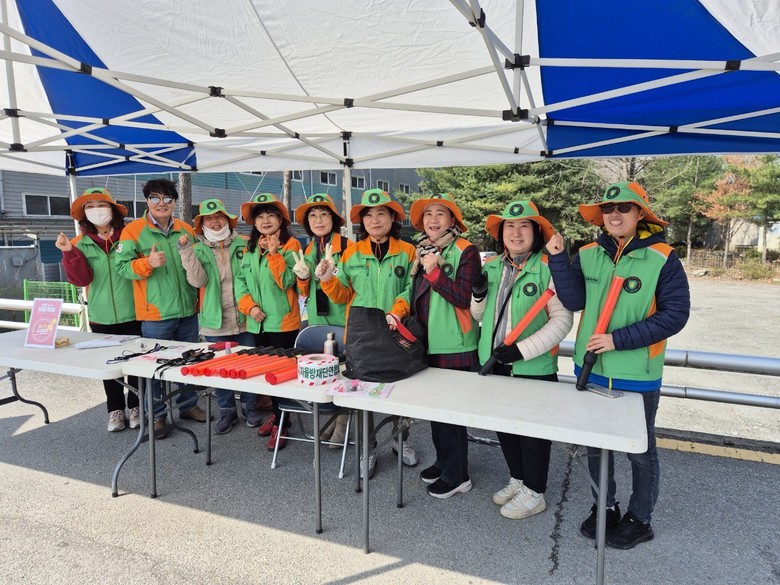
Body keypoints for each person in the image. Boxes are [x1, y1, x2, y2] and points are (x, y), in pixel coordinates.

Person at [547, 181, 690, 549]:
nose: (614, 213)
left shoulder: (663, 257)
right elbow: (574, 300)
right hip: (590, 370)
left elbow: (675, 315)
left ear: (639, 213)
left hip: (638, 374)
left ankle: (640, 519)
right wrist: (558, 258)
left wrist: (617, 339)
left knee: (640, 452)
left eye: (624, 207)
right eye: (608, 208)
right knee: (595, 445)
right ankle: (605, 507)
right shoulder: (588, 253)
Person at [471, 200, 573, 520]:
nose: (516, 233)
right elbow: (480, 316)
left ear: (536, 232)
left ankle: (535, 490)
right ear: (501, 233)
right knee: (505, 426)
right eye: (510, 226)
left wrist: (522, 350)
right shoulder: (491, 267)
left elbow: (562, 321)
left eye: (524, 226)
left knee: (533, 433)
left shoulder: (548, 267)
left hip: (534, 367)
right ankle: (517, 477)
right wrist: (477, 296)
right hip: (495, 363)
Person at [316, 188, 416, 478]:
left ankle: (400, 439)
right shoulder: (351, 253)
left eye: (381, 213)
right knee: (363, 397)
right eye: (369, 215)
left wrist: (397, 310)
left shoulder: (407, 251)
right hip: (361, 336)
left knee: (402, 392)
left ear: (392, 218)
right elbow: (342, 295)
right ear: (363, 222)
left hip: (396, 330)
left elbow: (411, 289)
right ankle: (367, 449)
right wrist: (327, 279)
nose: (375, 220)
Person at [114, 178, 206, 436]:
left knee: (188, 363)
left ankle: (188, 405)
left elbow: (197, 265)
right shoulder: (133, 231)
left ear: (175, 202)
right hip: (155, 314)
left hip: (188, 310)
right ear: (147, 201)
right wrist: (148, 263)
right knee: (155, 367)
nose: (161, 203)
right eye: (155, 197)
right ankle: (156, 416)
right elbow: (121, 267)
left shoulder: (186, 229)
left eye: (167, 198)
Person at [407, 193, 480, 499]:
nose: (433, 220)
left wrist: (435, 271)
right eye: (428, 214)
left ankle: (458, 475)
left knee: (452, 414)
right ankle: (444, 462)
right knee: (436, 412)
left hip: (455, 344)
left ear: (453, 220)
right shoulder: (422, 249)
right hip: (428, 342)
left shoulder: (466, 250)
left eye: (440, 213)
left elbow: (464, 297)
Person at [55, 187, 142, 432]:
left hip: (134, 311)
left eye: (101, 205)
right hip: (100, 315)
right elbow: (81, 280)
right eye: (90, 207)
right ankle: (115, 410)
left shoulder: (129, 237)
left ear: (113, 209)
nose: (97, 210)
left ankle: (136, 406)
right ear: (84, 214)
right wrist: (68, 253)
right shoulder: (77, 243)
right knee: (109, 366)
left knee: (136, 363)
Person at [178, 198, 261, 434]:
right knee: (219, 368)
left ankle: (250, 406)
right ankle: (227, 410)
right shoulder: (197, 249)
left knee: (248, 364)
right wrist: (186, 252)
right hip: (214, 320)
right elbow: (198, 281)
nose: (215, 222)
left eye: (219, 217)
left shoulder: (245, 243)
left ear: (228, 220)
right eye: (209, 218)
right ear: (202, 223)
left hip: (245, 316)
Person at [234, 193, 302, 451]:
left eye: (270, 216)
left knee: (282, 376)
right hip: (257, 323)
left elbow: (287, 282)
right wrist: (249, 307)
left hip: (282, 323)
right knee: (267, 374)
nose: (265, 221)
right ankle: (278, 415)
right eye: (260, 216)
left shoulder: (291, 245)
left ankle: (282, 423)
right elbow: (240, 283)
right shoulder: (249, 248)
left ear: (280, 220)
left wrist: (274, 254)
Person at [292, 193, 354, 447]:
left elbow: (349, 288)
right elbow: (304, 292)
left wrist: (332, 273)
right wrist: (303, 278)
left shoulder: (348, 246)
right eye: (313, 216)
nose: (318, 220)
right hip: (317, 318)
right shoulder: (308, 249)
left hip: (342, 317)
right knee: (325, 372)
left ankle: (342, 422)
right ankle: (331, 419)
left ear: (334, 218)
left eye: (324, 214)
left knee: (344, 372)